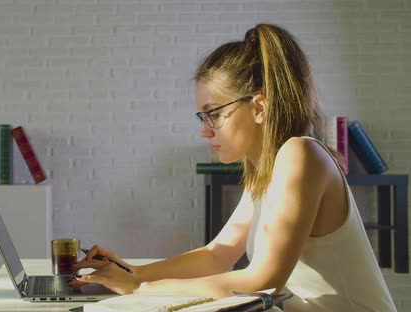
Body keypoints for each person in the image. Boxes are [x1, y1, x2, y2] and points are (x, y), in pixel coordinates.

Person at [69, 24, 396, 311]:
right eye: (203, 116)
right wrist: (132, 273)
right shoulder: (265, 171)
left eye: (213, 114)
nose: (205, 129)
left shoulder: (300, 156)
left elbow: (265, 280)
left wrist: (143, 289)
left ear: (259, 107)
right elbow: (217, 253)